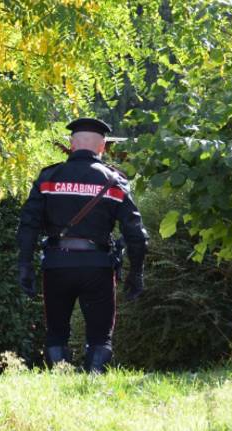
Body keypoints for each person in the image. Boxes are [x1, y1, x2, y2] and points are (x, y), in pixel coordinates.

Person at [16, 117, 148, 373]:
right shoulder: (114, 181)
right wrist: (136, 273)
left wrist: (25, 266)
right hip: (97, 267)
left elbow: (28, 225)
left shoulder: (49, 178)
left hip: (56, 265)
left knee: (56, 332)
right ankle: (94, 382)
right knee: (100, 336)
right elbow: (136, 233)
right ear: (103, 147)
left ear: (71, 144)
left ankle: (60, 380)